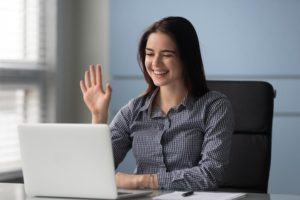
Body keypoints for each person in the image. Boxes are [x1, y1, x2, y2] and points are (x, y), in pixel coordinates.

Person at [79, 16, 234, 191]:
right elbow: (96, 169)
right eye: (150, 54)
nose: (155, 63)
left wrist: (142, 181)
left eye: (167, 55)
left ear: (187, 58)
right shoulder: (133, 110)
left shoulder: (215, 106)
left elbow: (210, 175)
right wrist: (98, 118)